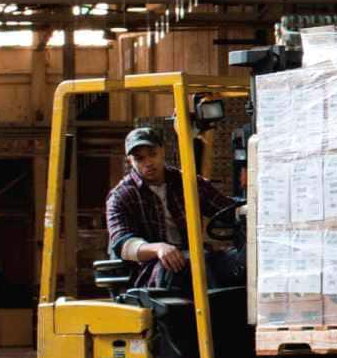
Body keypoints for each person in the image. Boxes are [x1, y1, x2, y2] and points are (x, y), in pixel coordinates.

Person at [105, 125, 246, 292]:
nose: (148, 163)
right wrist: (158, 248)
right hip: (153, 269)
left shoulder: (186, 181)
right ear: (130, 161)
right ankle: (213, 314)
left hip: (196, 258)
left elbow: (225, 209)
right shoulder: (121, 196)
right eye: (140, 159)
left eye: (152, 154)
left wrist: (248, 208)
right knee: (188, 265)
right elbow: (124, 245)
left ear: (162, 151)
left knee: (244, 261)